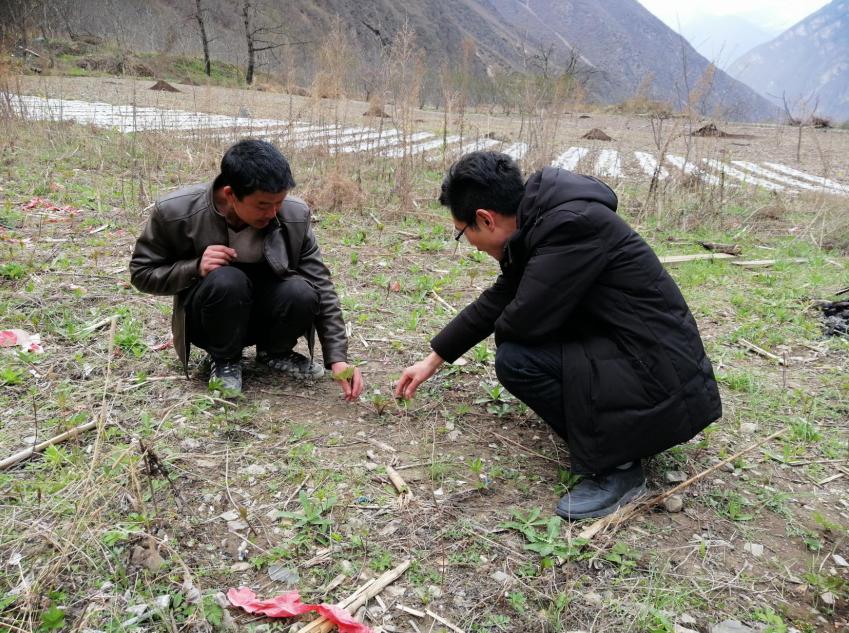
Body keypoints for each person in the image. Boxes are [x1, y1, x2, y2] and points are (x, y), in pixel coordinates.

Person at [396, 151, 721, 520]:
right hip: (642, 358)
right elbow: (502, 296)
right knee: (526, 344)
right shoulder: (543, 221)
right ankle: (611, 427)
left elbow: (522, 322)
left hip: (661, 377)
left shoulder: (570, 226)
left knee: (517, 360)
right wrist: (433, 359)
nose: (467, 242)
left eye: (462, 232)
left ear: (485, 219)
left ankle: (618, 466)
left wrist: (513, 321)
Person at [130, 139, 363, 400]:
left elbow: (321, 284)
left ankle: (274, 351)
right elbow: (142, 273)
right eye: (263, 205)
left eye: (280, 202)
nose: (273, 213)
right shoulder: (176, 212)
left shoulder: (295, 216)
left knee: (302, 291)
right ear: (230, 194)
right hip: (210, 317)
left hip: (262, 310)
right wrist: (194, 267)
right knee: (227, 280)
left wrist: (338, 358)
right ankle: (225, 360)